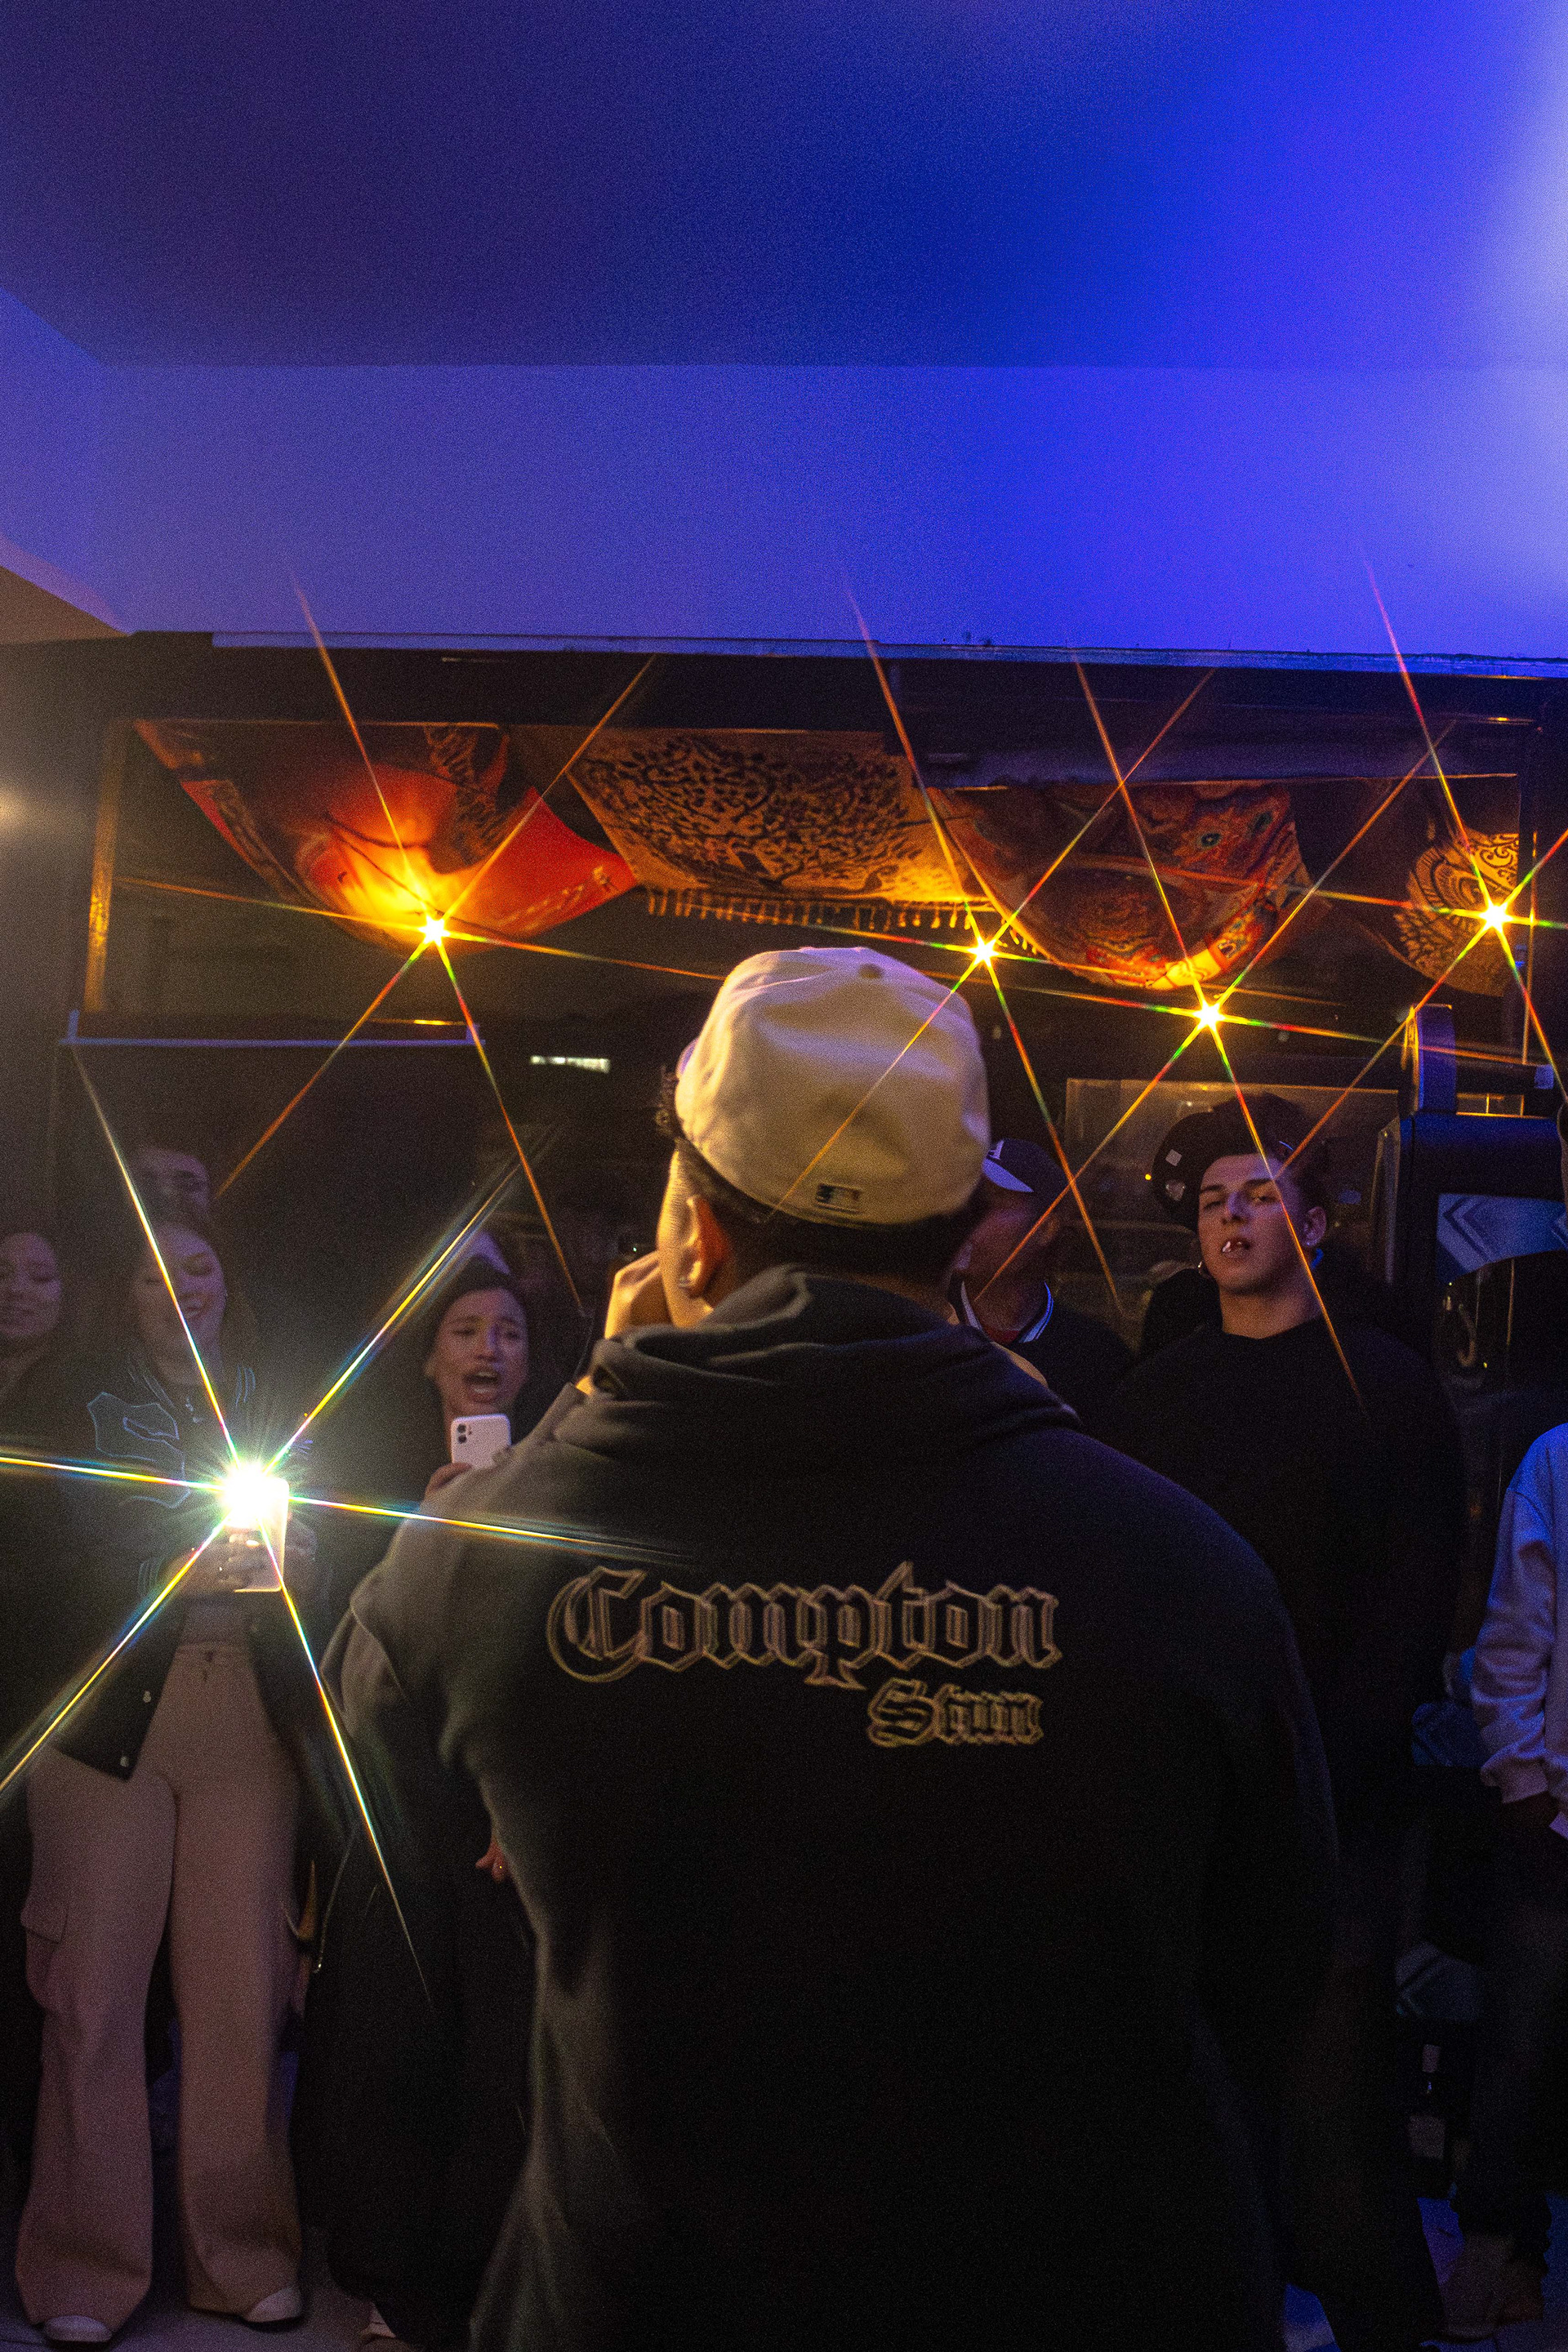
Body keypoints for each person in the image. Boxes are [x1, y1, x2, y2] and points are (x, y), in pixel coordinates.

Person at [330, 945, 1335, 2352]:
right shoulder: (1187, 1574)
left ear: (694, 1234)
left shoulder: (474, 1568)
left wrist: (597, 1405)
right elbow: (1277, 1965)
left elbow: (387, 1941)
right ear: (969, 1232)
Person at [1094, 1094, 1464, 2352]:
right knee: (1194, 2095)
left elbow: (1414, 1605)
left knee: (1333, 2095)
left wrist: (1331, 1771)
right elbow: (1124, 1597)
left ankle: (1383, 2324)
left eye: (1259, 1196)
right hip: (1183, 1799)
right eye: (1214, 1200)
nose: (1232, 1218)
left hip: (1334, 1795)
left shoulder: (1387, 1389)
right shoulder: (1158, 1397)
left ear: (1312, 1223)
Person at [7, 1209, 325, 2345]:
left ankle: (242, 2256)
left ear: (228, 1279)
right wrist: (161, 1571)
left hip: (247, 1708)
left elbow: (336, 1544)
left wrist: (308, 1560)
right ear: (124, 1294)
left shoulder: (278, 1399)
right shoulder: (67, 1400)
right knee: (92, 1998)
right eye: (154, 1272)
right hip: (102, 1721)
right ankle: (83, 2269)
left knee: (240, 1995)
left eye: (198, 1264)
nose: (181, 1287)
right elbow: (32, 1567)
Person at [295, 1258, 537, 2351]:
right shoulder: (372, 1483)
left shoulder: (561, 1482)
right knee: (391, 2048)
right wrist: (419, 1538)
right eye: (467, 1330)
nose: (489, 1350)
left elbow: (560, 1662)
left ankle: (484, 2284)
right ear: (430, 1357)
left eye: (510, 1332)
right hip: (395, 1808)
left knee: (500, 2061)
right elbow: (339, 1663)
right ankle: (391, 2287)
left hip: (501, 1821)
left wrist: (521, 1800)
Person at [1441, 1419, 1568, 2333]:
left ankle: (1502, 2253)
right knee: (1522, 2042)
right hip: (1560, 1812)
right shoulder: (1558, 1458)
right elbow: (1514, 1636)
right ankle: (1498, 2251)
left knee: (1524, 2039)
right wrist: (1525, 1787)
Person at [952, 1136, 1132, 1416]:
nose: (965, 1215)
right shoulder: (919, 1328)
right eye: (964, 1198)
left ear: (1046, 1229)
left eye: (991, 1201)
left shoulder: (1098, 1357)